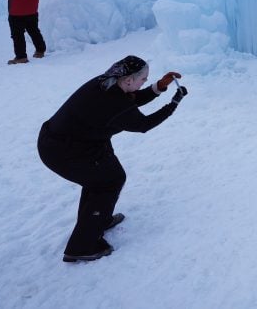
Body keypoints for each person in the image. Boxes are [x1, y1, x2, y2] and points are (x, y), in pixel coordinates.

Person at [37, 55, 188, 263]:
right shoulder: (112, 100)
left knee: (104, 177)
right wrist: (174, 103)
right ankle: (82, 247)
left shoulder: (108, 82)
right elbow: (142, 124)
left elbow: (130, 100)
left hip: (71, 141)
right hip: (63, 151)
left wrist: (159, 87)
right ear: (128, 80)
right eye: (143, 79)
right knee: (109, 180)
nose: (144, 82)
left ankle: (98, 220)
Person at [0, 0, 47, 65]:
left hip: (16, 15)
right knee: (34, 31)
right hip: (32, 12)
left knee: (17, 35)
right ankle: (40, 51)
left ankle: (21, 57)